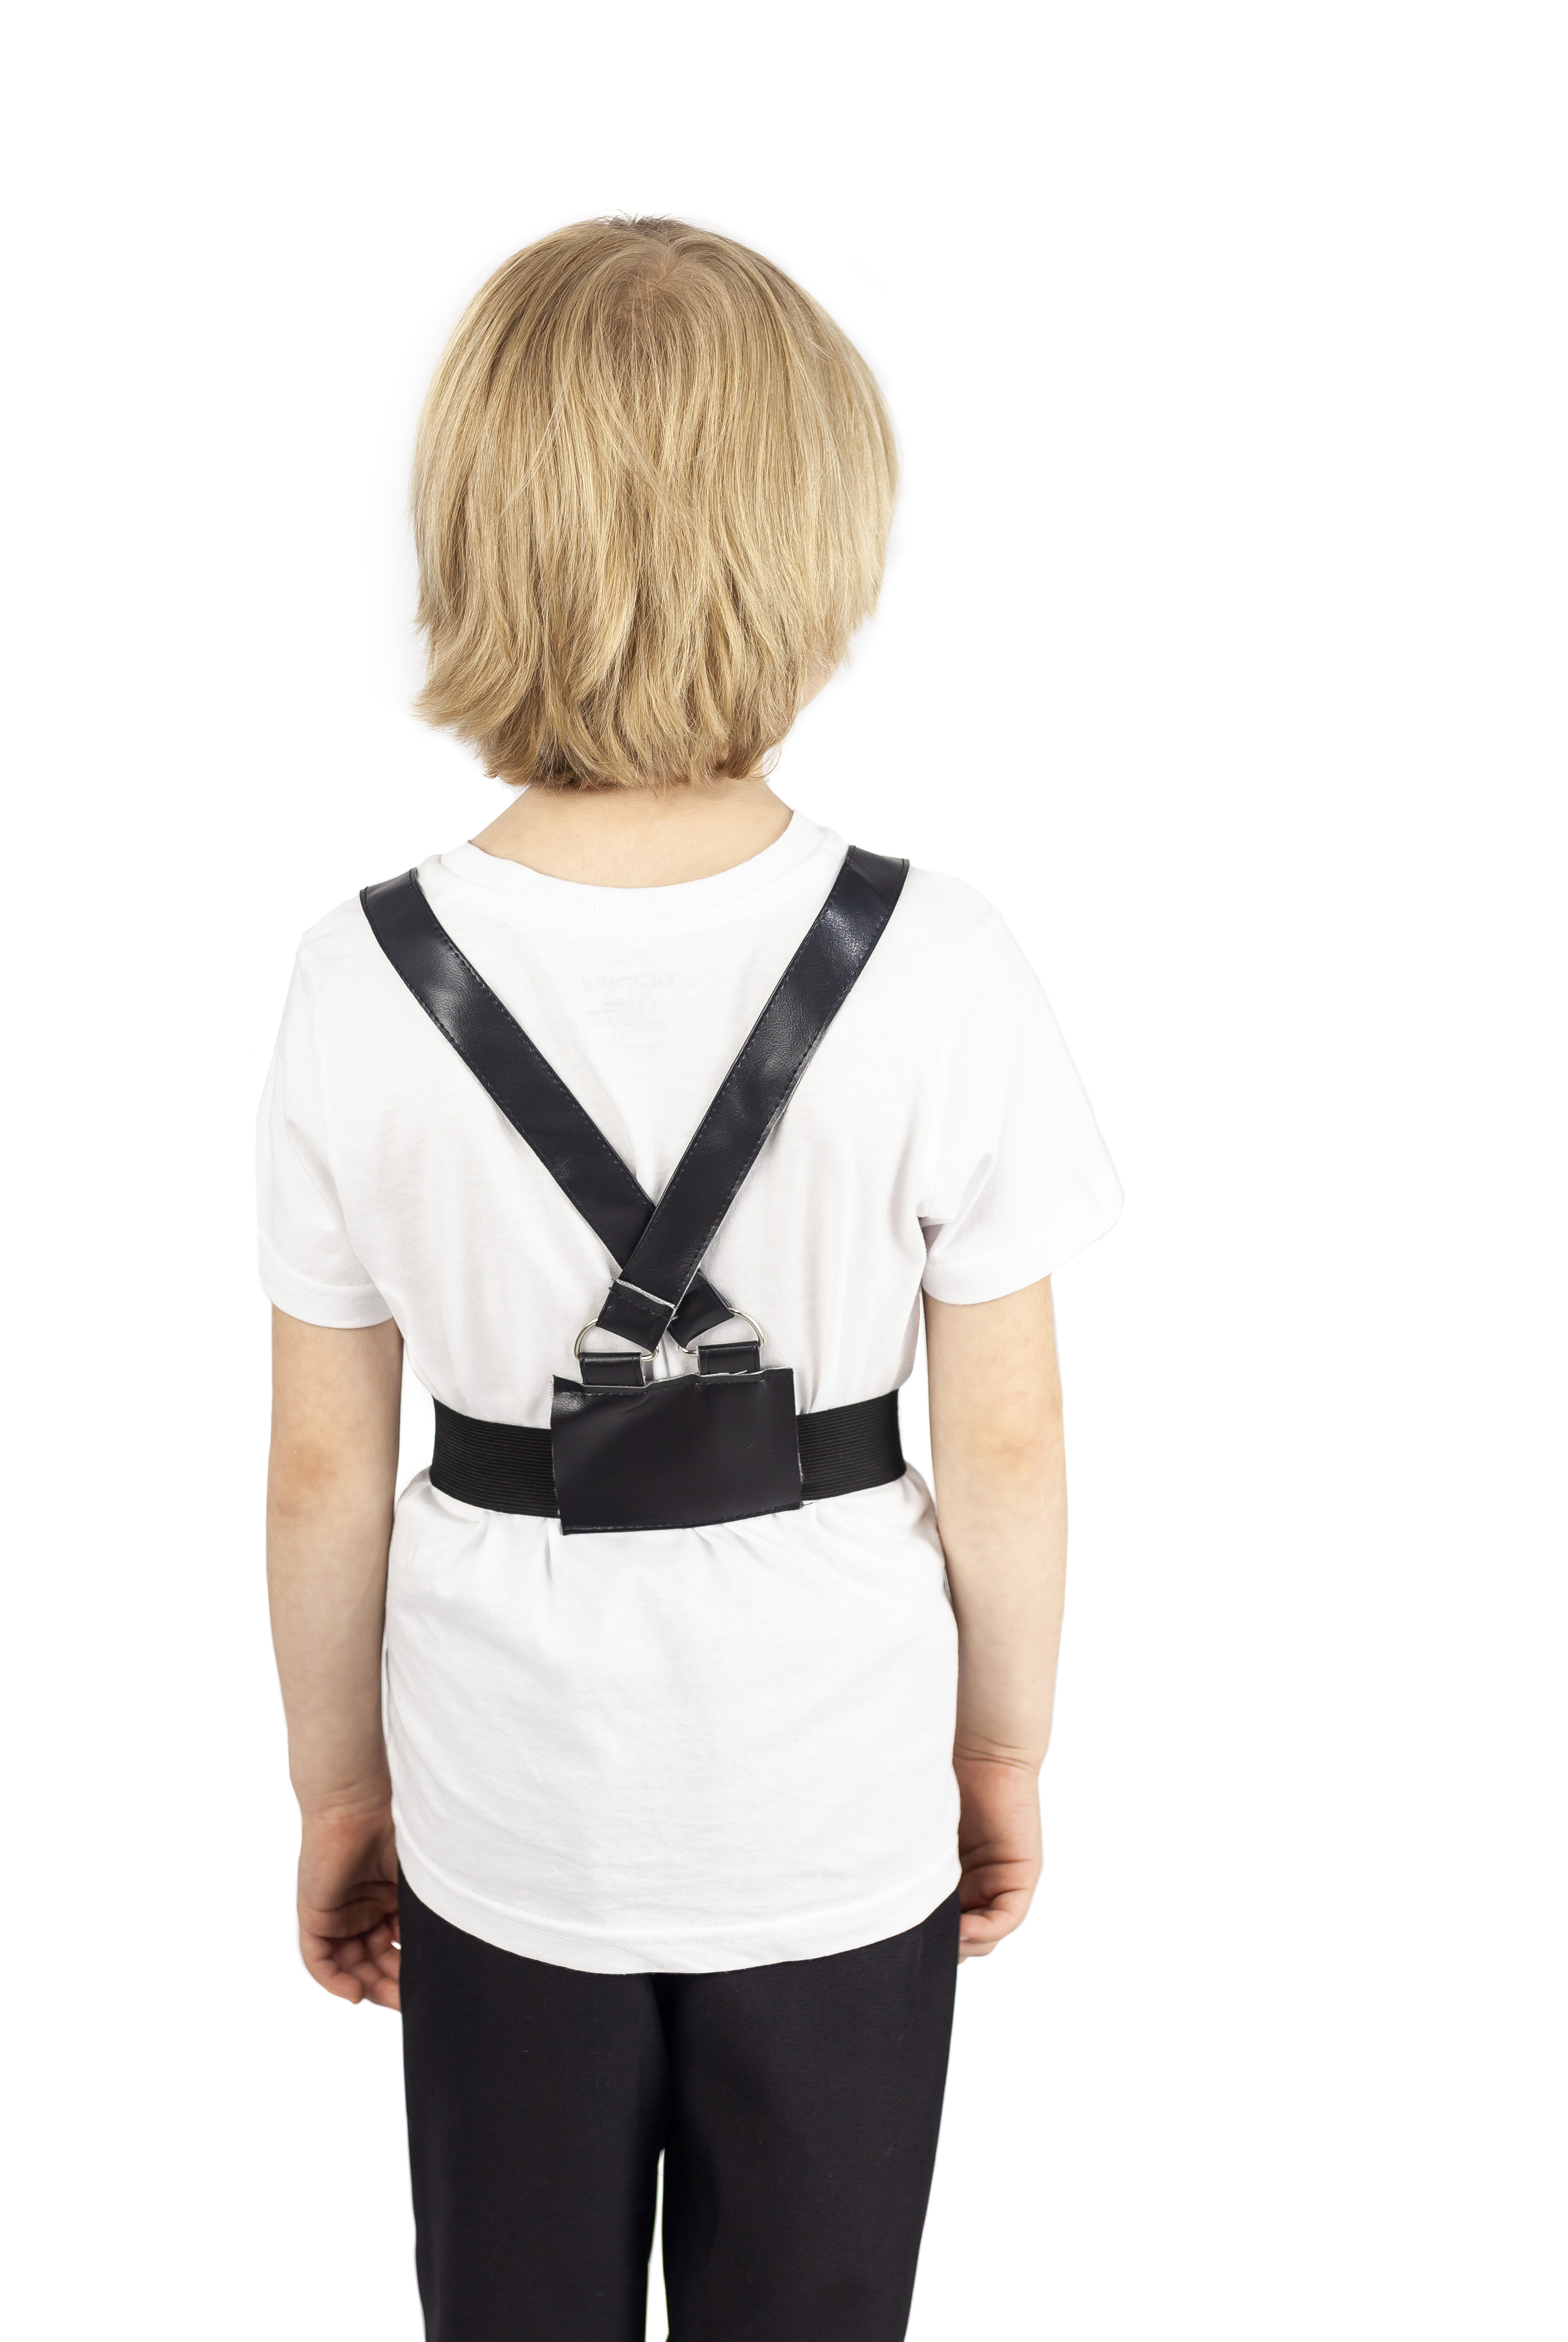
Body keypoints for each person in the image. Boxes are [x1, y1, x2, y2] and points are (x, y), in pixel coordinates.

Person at [258, 216, 1121, 2342]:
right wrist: (1001, 1751)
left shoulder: (361, 980)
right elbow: (1009, 1444)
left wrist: (341, 1789)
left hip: (503, 1818)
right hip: (836, 1799)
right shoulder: (942, 963)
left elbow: (323, 1475)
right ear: (817, 547)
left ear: (473, 536)